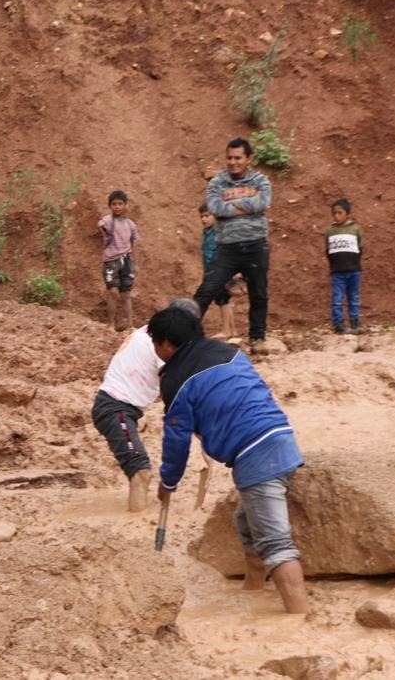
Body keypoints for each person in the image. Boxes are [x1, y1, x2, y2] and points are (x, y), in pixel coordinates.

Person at [147, 306, 308, 614]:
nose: (156, 350)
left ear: (167, 343)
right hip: (282, 438)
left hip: (256, 457)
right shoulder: (229, 352)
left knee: (276, 546)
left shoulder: (176, 380)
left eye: (156, 343)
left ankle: (299, 620)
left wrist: (168, 482)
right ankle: (253, 588)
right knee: (245, 523)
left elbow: (176, 441)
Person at [91, 298, 198, 513]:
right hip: (115, 408)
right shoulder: (162, 344)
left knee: (139, 469)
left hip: (120, 408)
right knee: (141, 472)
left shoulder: (150, 333)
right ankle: (135, 521)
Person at [195, 137, 272, 356]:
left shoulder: (260, 180)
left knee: (259, 294)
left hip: (256, 245)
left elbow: (263, 202)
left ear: (249, 158)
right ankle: (186, 335)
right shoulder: (217, 182)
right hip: (227, 247)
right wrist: (248, 207)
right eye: (229, 157)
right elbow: (214, 207)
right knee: (206, 290)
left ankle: (257, 338)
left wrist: (229, 206)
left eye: (238, 158)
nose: (233, 162)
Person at [97, 190, 140, 331]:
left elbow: (134, 243)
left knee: (126, 294)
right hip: (111, 261)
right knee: (113, 292)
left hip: (126, 261)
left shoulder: (130, 224)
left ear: (125, 205)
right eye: (114, 204)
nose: (117, 206)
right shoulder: (108, 220)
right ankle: (111, 324)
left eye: (120, 203)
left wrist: (135, 263)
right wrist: (101, 225)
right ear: (110, 206)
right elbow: (102, 224)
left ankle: (130, 325)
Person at [199, 203, 238, 339]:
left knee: (222, 301)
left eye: (207, 216)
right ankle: (232, 331)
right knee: (224, 300)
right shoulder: (207, 231)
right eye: (202, 217)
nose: (204, 219)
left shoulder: (219, 231)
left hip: (219, 270)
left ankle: (226, 330)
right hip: (212, 270)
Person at [325, 198, 363, 334]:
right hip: (337, 271)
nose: (336, 216)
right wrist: (334, 265)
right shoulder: (330, 231)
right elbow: (328, 251)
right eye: (334, 213)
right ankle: (338, 323)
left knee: (354, 297)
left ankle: (355, 322)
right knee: (337, 298)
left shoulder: (356, 229)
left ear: (347, 213)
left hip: (354, 270)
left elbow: (360, 248)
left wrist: (354, 263)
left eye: (340, 213)